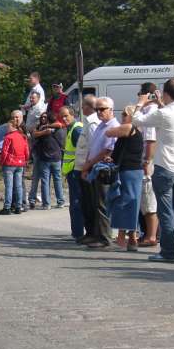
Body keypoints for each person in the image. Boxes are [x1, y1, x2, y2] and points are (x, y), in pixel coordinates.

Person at [133, 79, 174, 263]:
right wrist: (160, 103)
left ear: (166, 93)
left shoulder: (164, 113)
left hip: (164, 166)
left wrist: (141, 102)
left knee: (166, 211)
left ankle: (168, 252)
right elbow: (168, 116)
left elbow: (137, 120)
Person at [79, 97, 119, 249]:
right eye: (97, 109)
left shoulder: (113, 126)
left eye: (102, 109)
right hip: (94, 169)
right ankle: (96, 234)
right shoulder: (101, 126)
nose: (99, 112)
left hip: (103, 170)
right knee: (94, 203)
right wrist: (87, 166)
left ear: (111, 109)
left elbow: (107, 151)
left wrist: (88, 164)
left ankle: (105, 237)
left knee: (103, 204)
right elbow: (93, 147)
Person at [106, 106, 145, 251]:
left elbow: (109, 132)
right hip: (130, 170)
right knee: (130, 203)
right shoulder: (134, 130)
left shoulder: (129, 127)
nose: (121, 117)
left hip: (129, 171)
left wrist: (110, 121)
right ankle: (131, 237)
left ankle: (125, 238)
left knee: (125, 202)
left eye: (124, 114)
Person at [73, 95, 100, 244]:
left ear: (89, 107)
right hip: (83, 166)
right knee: (85, 201)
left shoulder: (92, 123)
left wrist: (86, 167)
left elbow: (93, 147)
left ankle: (93, 232)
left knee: (90, 202)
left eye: (83, 106)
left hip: (87, 167)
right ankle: (89, 231)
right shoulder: (88, 122)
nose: (81, 108)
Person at [136, 83, 159, 247]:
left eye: (141, 94)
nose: (139, 96)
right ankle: (147, 233)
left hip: (148, 162)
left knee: (148, 199)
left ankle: (152, 235)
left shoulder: (151, 112)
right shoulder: (146, 111)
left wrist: (146, 161)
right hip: (143, 159)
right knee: (144, 200)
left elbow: (150, 139)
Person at [59, 106, 84, 239]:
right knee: (76, 203)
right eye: (62, 116)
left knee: (76, 203)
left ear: (72, 115)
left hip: (76, 171)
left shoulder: (76, 129)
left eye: (66, 116)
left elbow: (83, 150)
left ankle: (78, 233)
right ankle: (77, 232)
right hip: (73, 170)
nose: (64, 119)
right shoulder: (72, 128)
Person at [33, 111, 66, 209]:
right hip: (54, 158)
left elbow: (59, 124)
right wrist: (44, 130)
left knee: (48, 181)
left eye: (44, 117)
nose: (42, 119)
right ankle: (55, 202)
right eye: (41, 117)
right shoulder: (53, 129)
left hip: (48, 159)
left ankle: (49, 203)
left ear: (48, 119)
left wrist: (44, 128)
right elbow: (34, 134)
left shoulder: (51, 127)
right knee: (54, 180)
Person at [0, 118, 30, 215]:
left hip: (9, 163)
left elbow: (4, 152)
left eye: (8, 126)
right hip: (20, 163)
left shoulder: (8, 137)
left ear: (12, 126)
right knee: (18, 186)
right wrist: (25, 160)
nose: (6, 128)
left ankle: (7, 207)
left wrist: (1, 162)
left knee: (9, 186)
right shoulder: (22, 137)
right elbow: (27, 151)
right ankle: (18, 206)